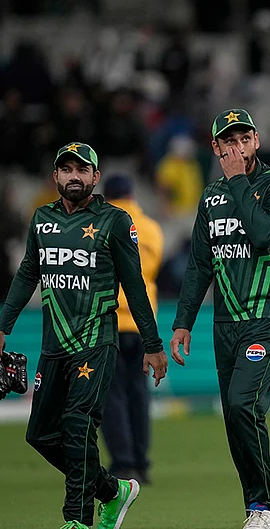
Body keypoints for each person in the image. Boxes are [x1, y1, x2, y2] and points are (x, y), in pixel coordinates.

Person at [0, 142, 168, 529]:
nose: (74, 176)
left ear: (95, 178)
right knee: (41, 435)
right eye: (66, 169)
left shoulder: (115, 221)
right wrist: (1, 328)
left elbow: (134, 285)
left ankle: (77, 521)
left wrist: (153, 344)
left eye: (82, 170)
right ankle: (112, 492)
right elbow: (26, 275)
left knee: (78, 423)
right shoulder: (42, 219)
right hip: (54, 345)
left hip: (96, 340)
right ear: (55, 177)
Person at [170, 109, 270, 529]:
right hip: (225, 323)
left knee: (244, 403)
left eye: (243, 138)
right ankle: (257, 509)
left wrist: (238, 179)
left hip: (268, 314)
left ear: (256, 142)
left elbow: (264, 236)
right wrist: (183, 321)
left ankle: (265, 508)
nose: (236, 146)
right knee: (236, 415)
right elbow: (199, 265)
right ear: (216, 148)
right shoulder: (209, 198)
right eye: (228, 140)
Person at [101, 174, 164, 485]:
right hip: (142, 323)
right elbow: (152, 272)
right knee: (138, 394)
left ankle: (123, 464)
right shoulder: (151, 229)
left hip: (109, 321)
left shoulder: (102, 225)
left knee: (112, 395)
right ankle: (141, 463)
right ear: (132, 192)